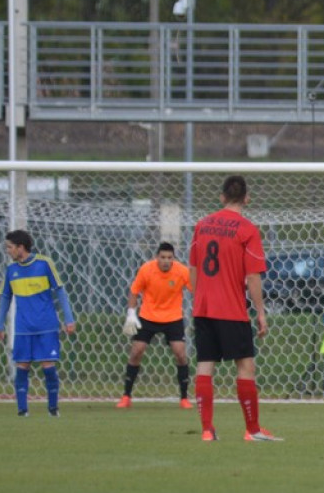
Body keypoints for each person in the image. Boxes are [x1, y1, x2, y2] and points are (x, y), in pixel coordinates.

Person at [188, 175, 281, 442]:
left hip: (204, 307)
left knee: (205, 365)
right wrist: (261, 311)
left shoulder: (202, 225)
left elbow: (193, 267)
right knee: (245, 366)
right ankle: (252, 430)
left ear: (222, 197)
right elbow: (253, 277)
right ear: (247, 199)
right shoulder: (247, 229)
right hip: (231, 308)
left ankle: (207, 430)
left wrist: (199, 298)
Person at [0, 230, 77, 417]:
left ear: (20, 247)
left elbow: (60, 291)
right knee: (22, 367)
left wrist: (69, 318)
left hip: (46, 326)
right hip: (23, 328)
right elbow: (6, 299)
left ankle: (53, 409)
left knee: (48, 367)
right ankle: (22, 410)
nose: (7, 251)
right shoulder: (11, 270)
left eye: (9, 247)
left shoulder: (44, 263)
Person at [116, 243, 194, 409]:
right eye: (163, 257)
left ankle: (184, 398)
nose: (166, 261)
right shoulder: (146, 269)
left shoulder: (181, 271)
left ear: (173, 258)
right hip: (148, 316)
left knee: (180, 354)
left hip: (173, 317)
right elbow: (134, 291)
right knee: (136, 351)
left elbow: (196, 289)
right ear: (157, 257)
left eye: (169, 258)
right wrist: (131, 313)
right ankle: (126, 396)